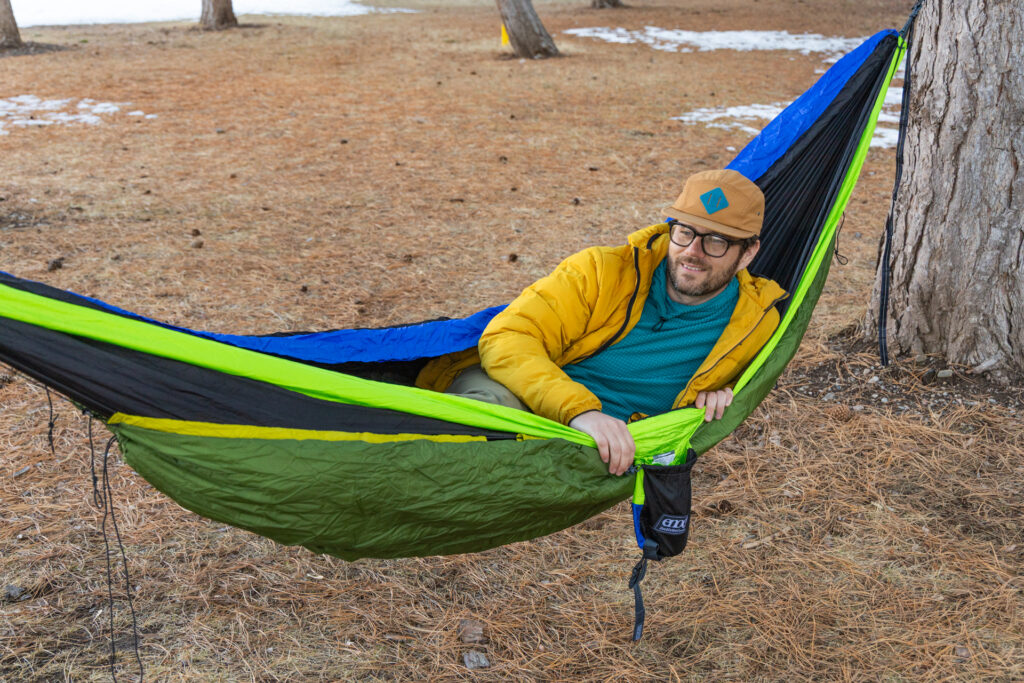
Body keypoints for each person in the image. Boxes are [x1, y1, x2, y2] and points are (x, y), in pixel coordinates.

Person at [416, 169, 786, 476]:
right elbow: (508, 336)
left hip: (602, 447)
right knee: (480, 427)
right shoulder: (601, 271)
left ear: (748, 252)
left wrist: (721, 390)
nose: (692, 251)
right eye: (685, 231)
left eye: (716, 241)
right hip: (522, 393)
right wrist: (582, 412)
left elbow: (735, 385)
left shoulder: (755, 325)